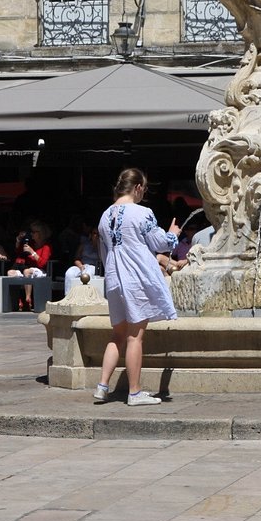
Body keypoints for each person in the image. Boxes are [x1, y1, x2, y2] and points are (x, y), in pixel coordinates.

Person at [94, 168, 180, 407]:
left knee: (117, 334)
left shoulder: (104, 215)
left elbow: (104, 251)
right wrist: (173, 235)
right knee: (135, 337)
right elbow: (159, 242)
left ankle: (102, 386)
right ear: (138, 188)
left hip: (113, 277)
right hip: (135, 277)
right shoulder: (142, 212)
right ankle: (134, 391)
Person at [8, 220, 52, 311]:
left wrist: (32, 252)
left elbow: (42, 263)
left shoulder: (46, 247)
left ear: (40, 233)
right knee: (10, 273)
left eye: (34, 232)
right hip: (27, 269)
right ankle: (15, 300)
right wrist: (18, 241)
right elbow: (19, 252)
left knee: (27, 271)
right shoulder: (31, 244)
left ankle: (28, 299)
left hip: (40, 271)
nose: (31, 234)